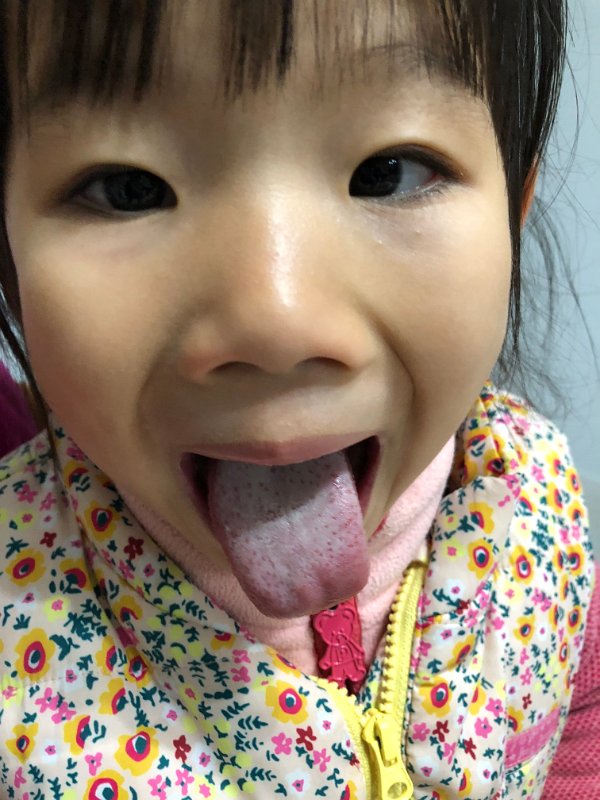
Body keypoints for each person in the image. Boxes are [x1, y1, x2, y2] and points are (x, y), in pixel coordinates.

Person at [0, 2, 595, 798]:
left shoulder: (531, 500)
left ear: (512, 216)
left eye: (388, 172)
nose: (276, 322)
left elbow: (574, 700)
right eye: (127, 189)